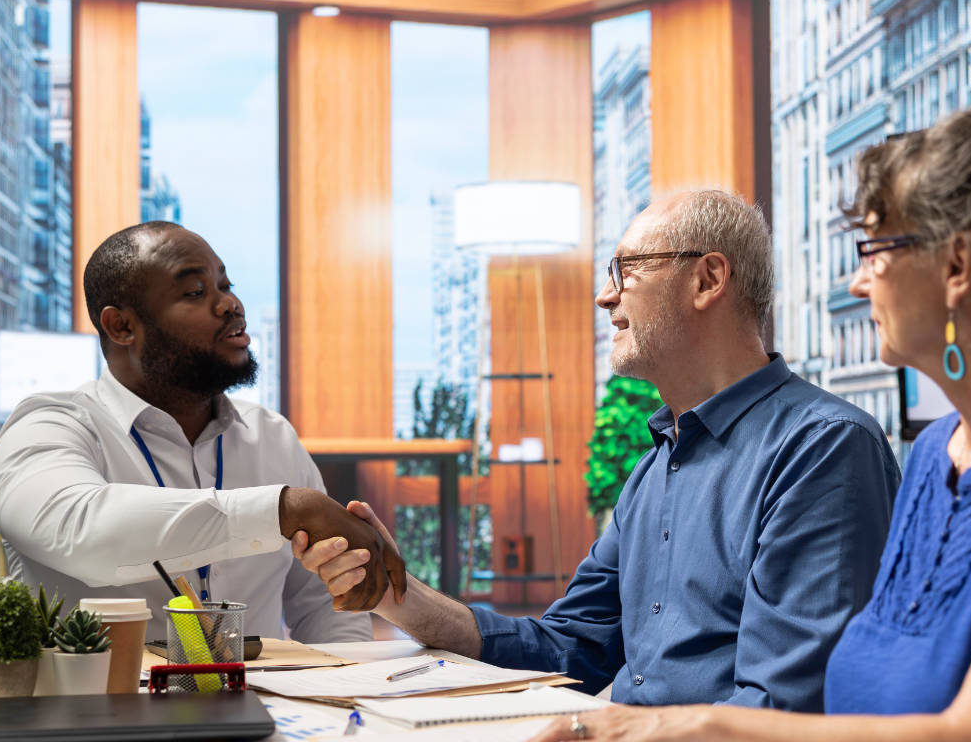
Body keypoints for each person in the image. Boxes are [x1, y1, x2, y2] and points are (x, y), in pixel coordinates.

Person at [529, 86, 971, 741]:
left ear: (958, 265)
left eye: (875, 252)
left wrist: (666, 728)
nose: (857, 282)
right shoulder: (935, 454)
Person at [292, 190, 901, 710]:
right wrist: (397, 593)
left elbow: (786, 708)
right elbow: (572, 648)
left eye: (626, 269)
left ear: (708, 279)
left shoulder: (821, 449)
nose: (605, 298)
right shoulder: (656, 466)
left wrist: (601, 729)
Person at [0, 221, 405, 641]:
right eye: (195, 292)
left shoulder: (272, 436)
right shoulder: (47, 425)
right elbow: (78, 532)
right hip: (103, 704)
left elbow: (325, 604)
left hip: (265, 705)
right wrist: (280, 510)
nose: (229, 304)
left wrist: (338, 691)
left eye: (225, 285)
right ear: (121, 327)